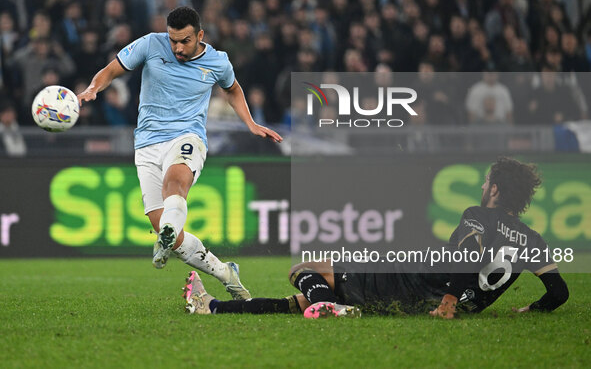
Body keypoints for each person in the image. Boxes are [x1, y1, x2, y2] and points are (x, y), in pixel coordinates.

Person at [183, 157, 569, 318]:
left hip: (418, 287)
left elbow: (464, 260)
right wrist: (530, 311)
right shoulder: (531, 240)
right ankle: (214, 308)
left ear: (497, 189)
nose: (483, 185)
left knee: (304, 267)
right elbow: (558, 293)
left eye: (487, 180)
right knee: (304, 300)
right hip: (446, 299)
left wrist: (450, 299)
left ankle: (331, 311)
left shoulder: (478, 216)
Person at [77, 6, 282, 300]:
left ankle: (166, 234)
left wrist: (250, 123)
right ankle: (225, 272)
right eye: (173, 40)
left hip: (187, 136)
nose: (177, 47)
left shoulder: (217, 61)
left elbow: (233, 89)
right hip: (146, 143)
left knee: (175, 184)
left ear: (200, 35)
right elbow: (111, 70)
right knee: (169, 234)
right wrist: (93, 89)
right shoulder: (149, 44)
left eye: (185, 40)